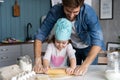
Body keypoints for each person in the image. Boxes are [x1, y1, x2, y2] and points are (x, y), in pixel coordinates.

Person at [33, 0, 105, 76]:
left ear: (81, 6)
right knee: (70, 73)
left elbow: (98, 41)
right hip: (71, 46)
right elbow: (40, 35)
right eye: (68, 11)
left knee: (87, 73)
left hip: (89, 47)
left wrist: (84, 65)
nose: (71, 16)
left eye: (75, 12)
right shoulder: (55, 11)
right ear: (63, 4)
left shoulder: (89, 13)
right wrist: (38, 61)